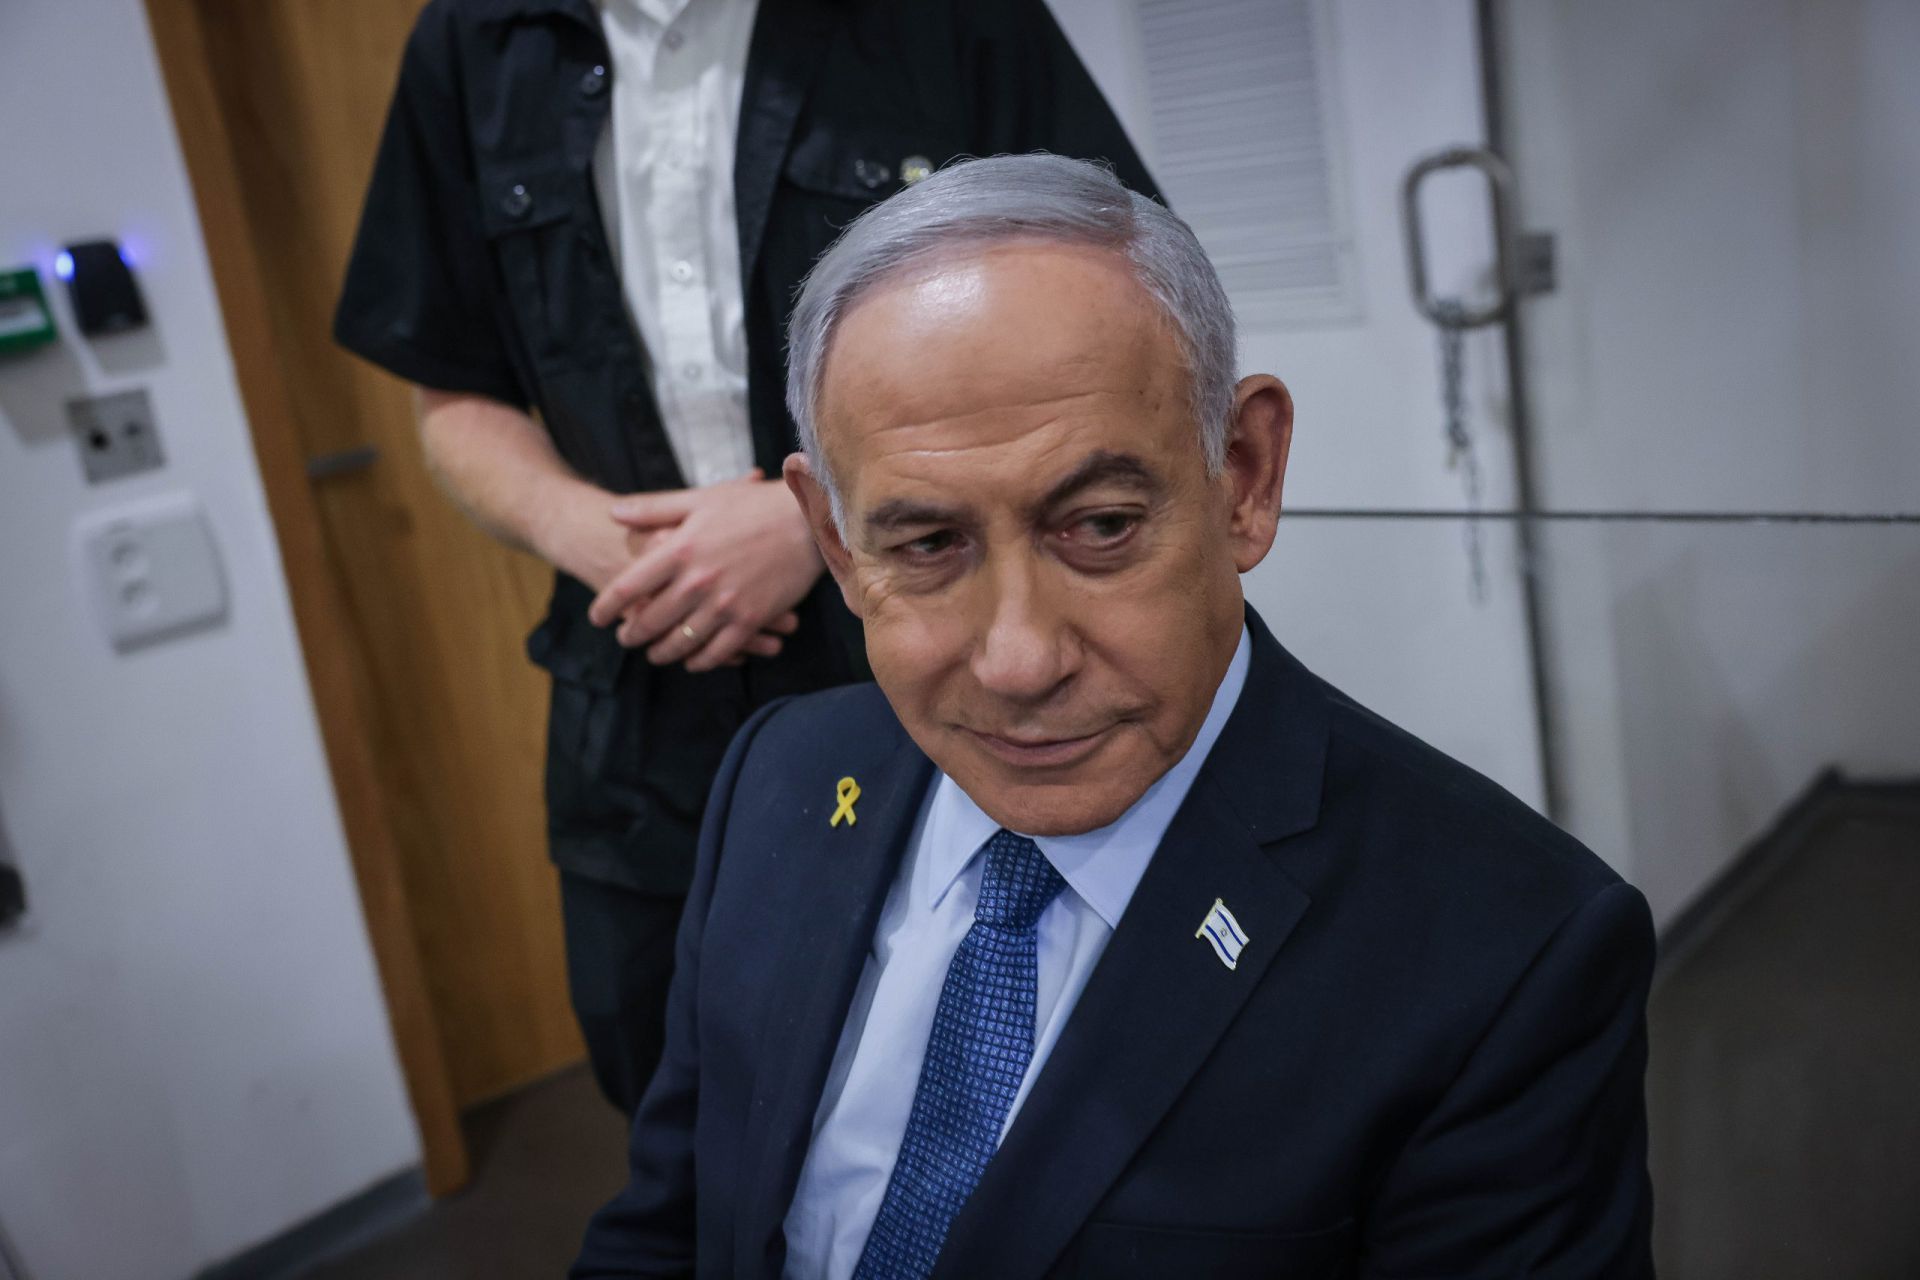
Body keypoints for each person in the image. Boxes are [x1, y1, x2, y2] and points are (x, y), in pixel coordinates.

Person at [571, 155, 1656, 1278]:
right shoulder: (780, 779)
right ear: (836, 543)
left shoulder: (1504, 953)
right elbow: (667, 1228)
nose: (1018, 660)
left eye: (1099, 526)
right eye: (929, 544)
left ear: (1245, 477)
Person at [332, 0, 1157, 1114]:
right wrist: (606, 541)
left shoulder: (951, 18)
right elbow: (452, 393)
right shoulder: (473, 43)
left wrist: (815, 521)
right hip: (639, 694)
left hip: (921, 653)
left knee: (982, 1080)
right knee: (669, 1086)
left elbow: (1114, 300)